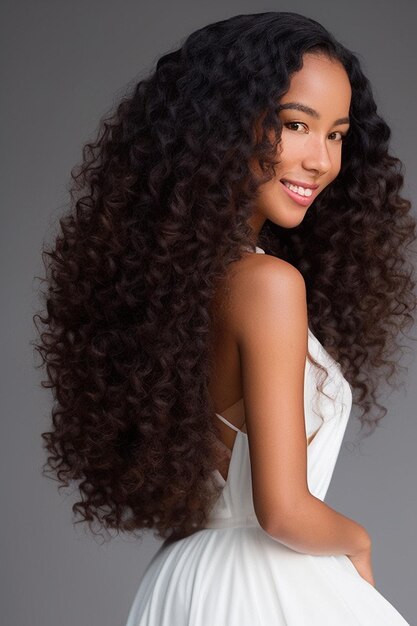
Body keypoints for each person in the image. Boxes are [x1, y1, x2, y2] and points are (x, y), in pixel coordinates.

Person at [33, 11, 415, 625]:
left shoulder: (185, 286)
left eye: (337, 135)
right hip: (266, 586)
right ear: (223, 127)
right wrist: (358, 540)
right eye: (296, 125)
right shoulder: (267, 284)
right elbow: (284, 510)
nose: (320, 160)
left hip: (185, 580)